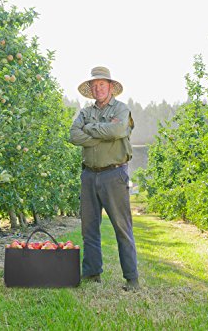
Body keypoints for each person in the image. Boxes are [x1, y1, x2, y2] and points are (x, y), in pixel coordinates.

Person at [69, 66, 139, 291]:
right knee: (89, 227)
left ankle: (132, 278)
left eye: (102, 84)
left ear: (110, 87)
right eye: (94, 85)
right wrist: (102, 134)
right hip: (89, 174)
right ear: (90, 89)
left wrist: (91, 130)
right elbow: (73, 135)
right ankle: (92, 274)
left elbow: (118, 132)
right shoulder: (84, 112)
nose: (98, 88)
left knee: (122, 227)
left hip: (114, 174)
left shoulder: (121, 109)